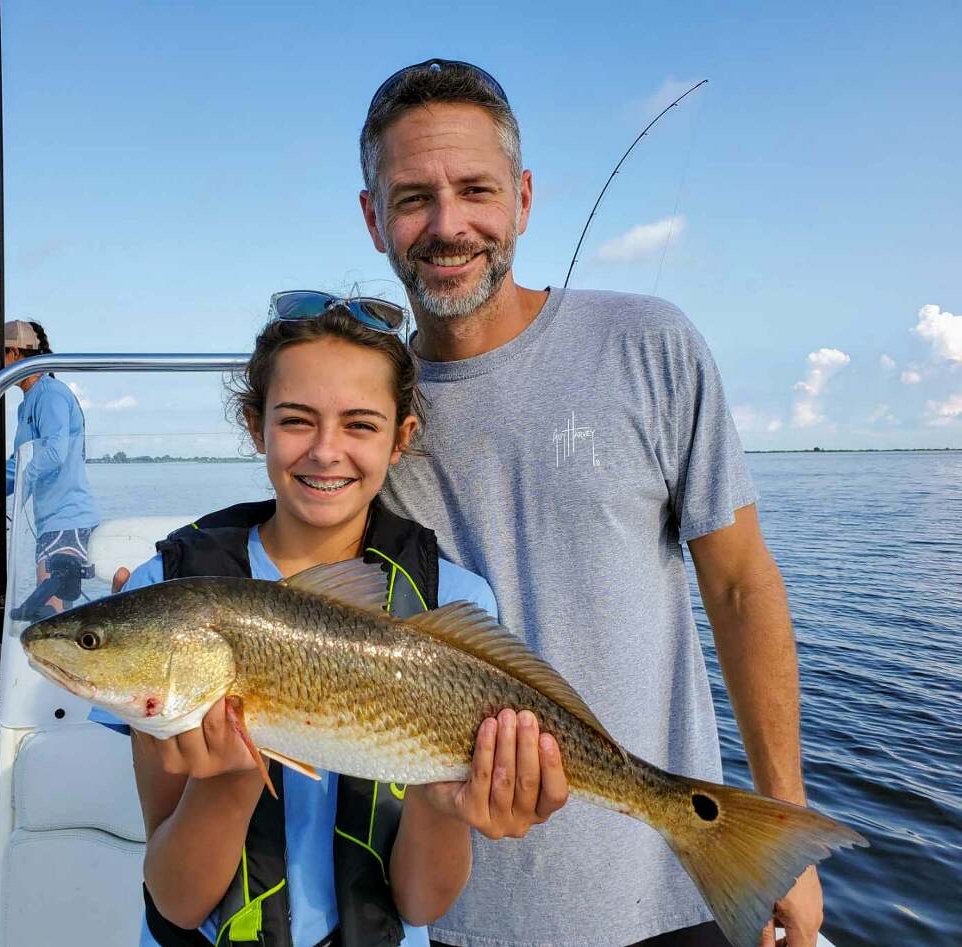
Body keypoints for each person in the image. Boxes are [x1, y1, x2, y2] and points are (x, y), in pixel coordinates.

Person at [357, 61, 821, 947]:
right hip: (454, 913)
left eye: (476, 190)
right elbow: (299, 557)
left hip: (672, 890)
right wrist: (173, 575)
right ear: (374, 217)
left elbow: (739, 585)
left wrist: (781, 826)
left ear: (524, 199)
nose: (448, 225)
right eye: (413, 198)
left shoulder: (650, 343)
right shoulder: (367, 414)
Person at [106, 295, 569, 947]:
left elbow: (420, 902)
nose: (326, 451)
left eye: (360, 425)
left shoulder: (451, 602)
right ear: (256, 425)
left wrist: (441, 805)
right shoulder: (168, 596)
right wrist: (231, 779)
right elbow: (178, 904)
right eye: (297, 420)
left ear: (400, 437)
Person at [0, 319, 99, 612]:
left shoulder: (51, 394)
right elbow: (20, 465)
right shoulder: (27, 403)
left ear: (14, 353)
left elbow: (53, 453)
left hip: (68, 520)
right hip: (49, 523)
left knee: (49, 612)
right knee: (52, 615)